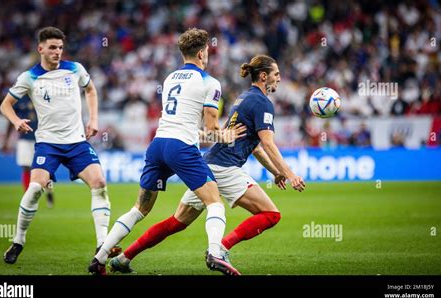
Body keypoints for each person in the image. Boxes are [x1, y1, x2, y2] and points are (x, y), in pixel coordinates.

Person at [107, 55, 306, 275]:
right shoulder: (262, 103)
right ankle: (220, 249)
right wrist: (290, 174)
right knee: (271, 214)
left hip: (208, 165)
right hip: (226, 168)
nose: (279, 78)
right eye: (276, 74)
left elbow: (256, 147)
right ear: (263, 76)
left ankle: (124, 258)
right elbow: (267, 142)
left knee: (177, 222)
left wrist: (275, 172)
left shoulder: (245, 98)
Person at [88, 28, 246, 276]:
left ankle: (99, 257)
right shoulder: (210, 82)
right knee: (215, 203)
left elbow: (187, 124)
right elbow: (211, 126)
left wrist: (203, 134)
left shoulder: (170, 78)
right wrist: (225, 135)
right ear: (203, 52)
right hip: (181, 148)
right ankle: (215, 253)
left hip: (158, 144)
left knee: (139, 209)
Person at [0, 27, 120, 264]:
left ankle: (102, 244)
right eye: (53, 47)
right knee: (35, 188)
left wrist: (93, 119)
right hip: (48, 144)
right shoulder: (29, 77)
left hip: (77, 142)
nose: (57, 52)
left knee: (100, 183)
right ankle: (18, 242)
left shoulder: (75, 69)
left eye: (61, 47)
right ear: (40, 48)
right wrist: (15, 121)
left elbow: (91, 89)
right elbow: (5, 104)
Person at [2, 95, 55, 208]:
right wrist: (6, 140)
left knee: (46, 170)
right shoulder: (18, 98)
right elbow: (11, 119)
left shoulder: (42, 94)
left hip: (42, 138)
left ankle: (49, 192)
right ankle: (28, 198)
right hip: (24, 138)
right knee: (26, 167)